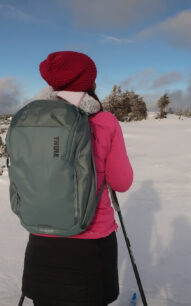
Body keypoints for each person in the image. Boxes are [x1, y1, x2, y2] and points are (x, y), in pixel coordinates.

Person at [21, 51, 134, 306]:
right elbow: (121, 182)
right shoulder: (104, 121)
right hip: (91, 243)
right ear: (88, 82)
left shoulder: (31, 118)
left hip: (41, 237)